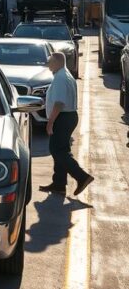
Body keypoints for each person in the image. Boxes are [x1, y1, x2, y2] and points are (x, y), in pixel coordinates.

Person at [39, 52, 94, 197]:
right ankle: (59, 184)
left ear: (57, 62)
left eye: (50, 61)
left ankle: (82, 177)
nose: (48, 64)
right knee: (61, 149)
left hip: (63, 117)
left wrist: (50, 122)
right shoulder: (64, 74)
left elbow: (59, 103)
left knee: (57, 150)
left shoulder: (60, 78)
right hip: (68, 116)